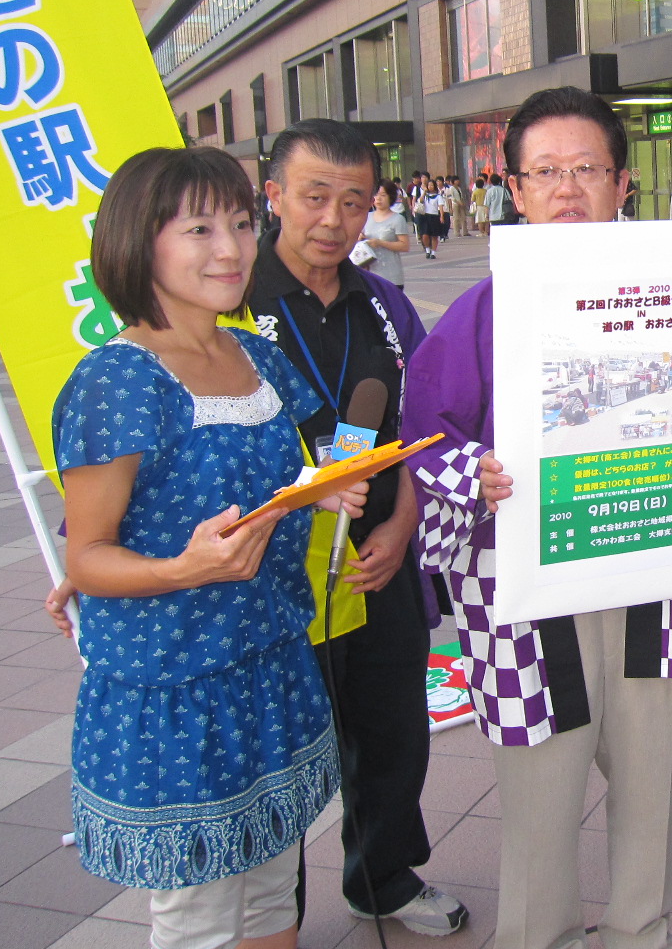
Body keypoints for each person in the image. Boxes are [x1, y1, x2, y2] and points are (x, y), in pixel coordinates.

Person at [400, 86, 672, 949]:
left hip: (657, 583)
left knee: (653, 798)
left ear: (621, 186)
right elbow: (422, 442)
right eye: (546, 173)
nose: (567, 191)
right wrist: (475, 472)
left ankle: (643, 933)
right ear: (516, 191)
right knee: (539, 814)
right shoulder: (476, 317)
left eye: (586, 171)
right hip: (528, 596)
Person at [50, 146, 364, 949]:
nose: (230, 248)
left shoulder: (255, 354)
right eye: (198, 228)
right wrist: (177, 569)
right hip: (178, 687)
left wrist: (324, 484)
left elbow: (279, 476)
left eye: (238, 223)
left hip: (268, 661)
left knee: (269, 896)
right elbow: (85, 556)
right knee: (197, 921)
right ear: (137, 243)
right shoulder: (117, 382)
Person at [254, 120, 464, 935]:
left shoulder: (386, 305)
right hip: (273, 574)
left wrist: (404, 523)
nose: (334, 220)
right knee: (282, 750)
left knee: (390, 733)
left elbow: (424, 426)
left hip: (378, 561)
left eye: (353, 200)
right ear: (273, 196)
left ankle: (382, 876)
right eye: (314, 198)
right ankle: (276, 910)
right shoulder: (233, 302)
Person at [363, 180, 412, 290]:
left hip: (391, 276)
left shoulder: (397, 219)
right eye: (376, 195)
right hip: (370, 275)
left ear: (391, 197)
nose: (378, 198)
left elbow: (404, 246)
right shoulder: (367, 217)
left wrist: (380, 243)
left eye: (383, 195)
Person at [419, 179, 444, 259]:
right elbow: (420, 200)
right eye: (429, 185)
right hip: (426, 216)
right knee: (425, 235)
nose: (430, 187)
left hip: (434, 217)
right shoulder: (426, 196)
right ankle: (427, 250)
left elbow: (440, 207)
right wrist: (424, 192)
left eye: (432, 185)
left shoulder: (438, 196)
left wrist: (441, 216)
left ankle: (433, 252)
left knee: (434, 236)